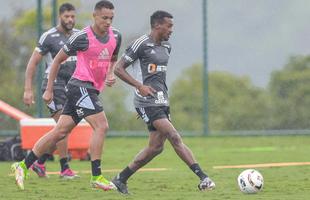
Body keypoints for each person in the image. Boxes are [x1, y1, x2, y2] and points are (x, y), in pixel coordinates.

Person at [12, 0, 121, 191]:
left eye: (111, 18)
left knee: (60, 132)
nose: (108, 22)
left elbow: (112, 58)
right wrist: (48, 90)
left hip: (90, 88)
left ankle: (23, 165)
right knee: (101, 125)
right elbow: (56, 62)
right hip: (79, 86)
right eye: (104, 18)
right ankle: (97, 176)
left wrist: (110, 73)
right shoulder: (81, 37)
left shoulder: (116, 36)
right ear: (94, 16)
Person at [111, 10, 215, 194]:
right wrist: (139, 88)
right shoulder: (141, 44)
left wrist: (158, 101)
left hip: (160, 101)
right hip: (146, 101)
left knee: (156, 148)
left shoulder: (166, 47)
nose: (171, 30)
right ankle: (203, 177)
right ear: (157, 25)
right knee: (174, 136)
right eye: (169, 26)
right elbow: (118, 69)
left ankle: (121, 179)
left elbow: (156, 76)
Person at [23, 2, 79, 179]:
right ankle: (65, 169)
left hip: (72, 86)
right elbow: (33, 63)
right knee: (62, 127)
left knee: (65, 130)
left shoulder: (79, 35)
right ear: (59, 17)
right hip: (53, 86)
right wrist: (28, 89)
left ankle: (39, 163)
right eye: (66, 16)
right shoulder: (49, 36)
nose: (70, 20)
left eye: (72, 16)